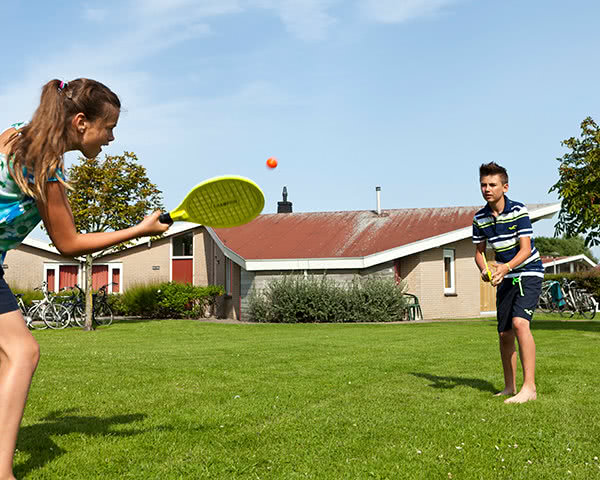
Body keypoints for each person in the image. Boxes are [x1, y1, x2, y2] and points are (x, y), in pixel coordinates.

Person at [0, 78, 170, 480]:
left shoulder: (13, 136)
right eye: (108, 127)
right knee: (22, 353)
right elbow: (69, 243)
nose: (111, 138)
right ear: (80, 122)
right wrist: (140, 231)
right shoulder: (46, 163)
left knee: (8, 357)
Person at [472, 162, 543, 404]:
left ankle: (529, 388)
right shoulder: (479, 218)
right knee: (504, 333)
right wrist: (485, 271)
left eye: (492, 184)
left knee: (520, 323)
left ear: (505, 186)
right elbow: (479, 253)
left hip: (528, 271)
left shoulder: (518, 211)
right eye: (483, 184)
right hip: (505, 276)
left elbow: (525, 250)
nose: (487, 189)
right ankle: (510, 387)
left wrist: (504, 267)